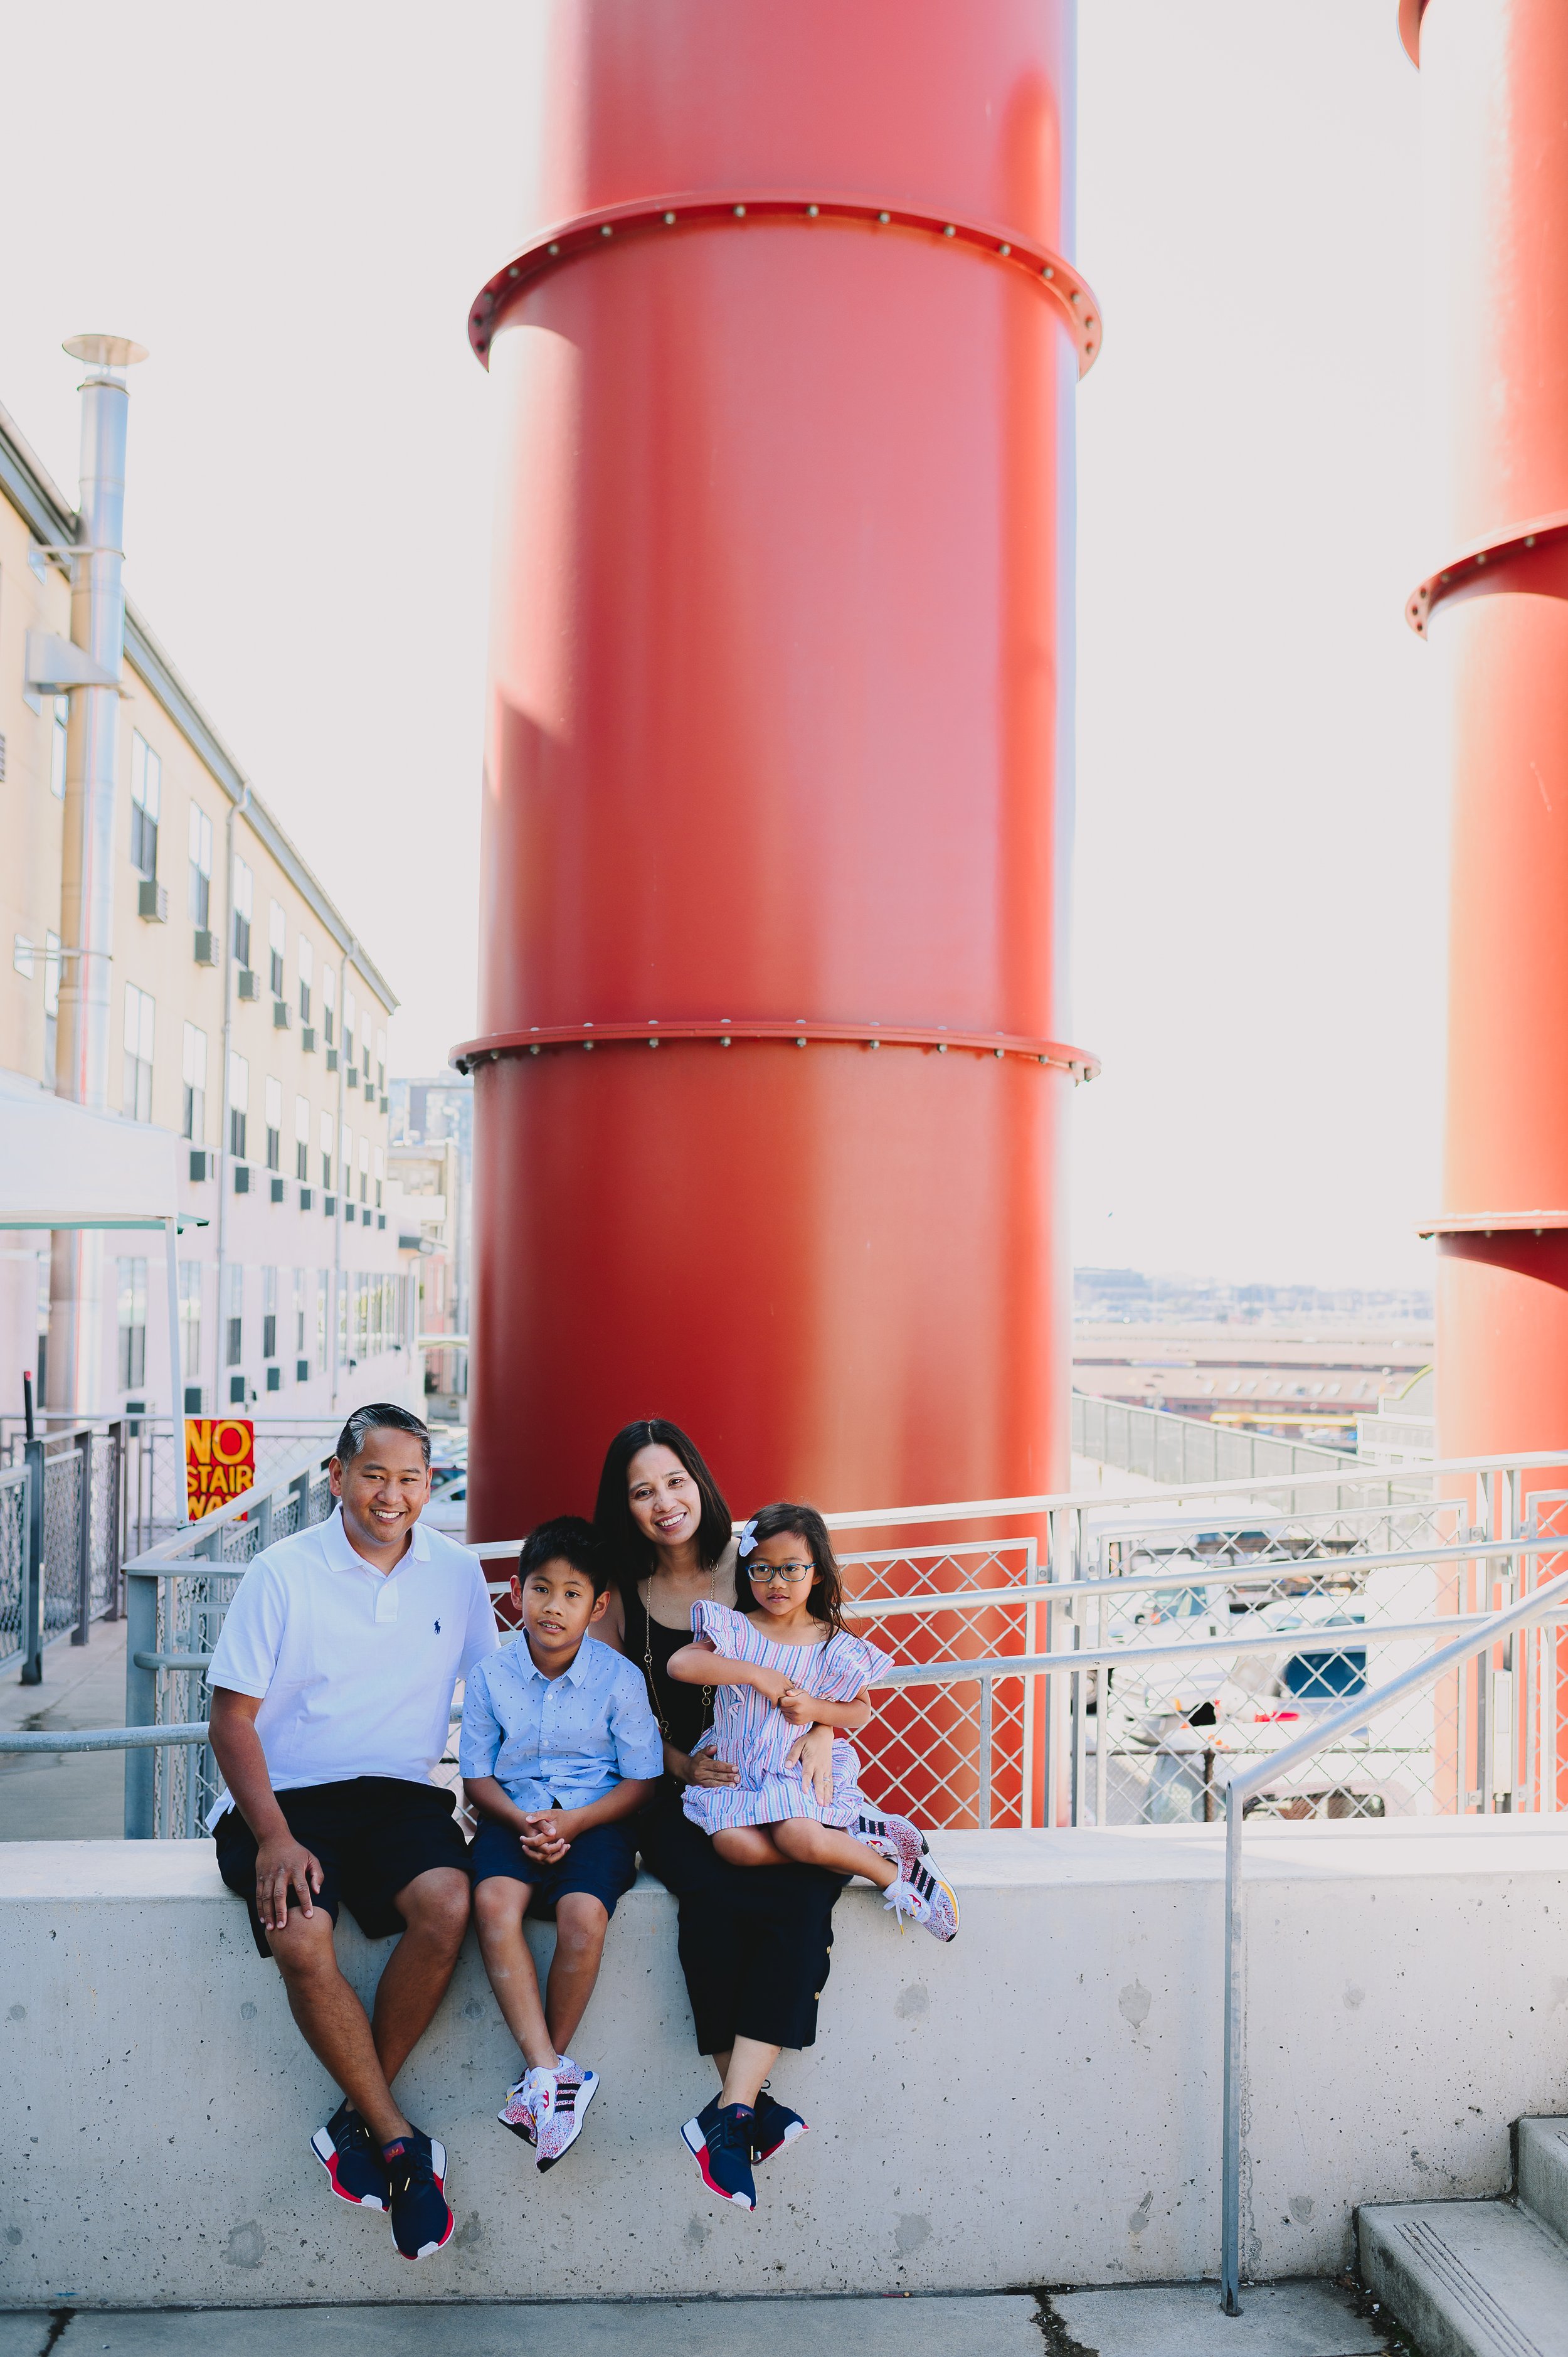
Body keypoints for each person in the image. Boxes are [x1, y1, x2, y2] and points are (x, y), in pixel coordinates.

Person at [593, 1418, 921, 2211]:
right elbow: (609, 1709)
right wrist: (678, 1762)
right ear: (625, 1506)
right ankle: (743, 2111)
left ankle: (731, 2113)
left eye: (674, 1481)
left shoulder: (756, 1566)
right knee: (712, 1900)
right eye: (642, 1491)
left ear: (698, 1480)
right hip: (679, 1792)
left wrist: (813, 1728)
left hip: (779, 1783)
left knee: (803, 1896)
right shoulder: (620, 1594)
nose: (664, 1503)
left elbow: (818, 1664)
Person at [206, 1403, 497, 2262]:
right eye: (374, 1474)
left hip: (402, 1797)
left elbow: (489, 1698)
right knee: (302, 1933)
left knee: (450, 1902)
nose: (392, 1494)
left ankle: (355, 2125)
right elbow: (231, 1720)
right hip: (288, 1801)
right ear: (337, 1477)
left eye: (411, 1478)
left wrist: (500, 1802)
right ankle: (400, 2146)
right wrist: (274, 1835)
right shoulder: (282, 1571)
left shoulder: (455, 1571)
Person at [667, 1500, 960, 2205]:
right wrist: (761, 1677)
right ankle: (741, 2111)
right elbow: (682, 1664)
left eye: (791, 1568)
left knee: (799, 1839)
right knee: (736, 1849)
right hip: (740, 1776)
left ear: (817, 1571)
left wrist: (820, 1717)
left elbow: (858, 1709)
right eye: (761, 1567)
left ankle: (894, 1870)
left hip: (798, 1778)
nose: (775, 1580)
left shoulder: (833, 1642)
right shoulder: (732, 1629)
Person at [460, 1516, 661, 2169]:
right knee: (492, 1902)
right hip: (510, 1815)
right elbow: (476, 1778)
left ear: (597, 1605)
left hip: (595, 1819)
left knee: (583, 1916)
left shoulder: (619, 1679)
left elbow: (641, 1781)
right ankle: (549, 2071)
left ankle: (544, 2081)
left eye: (573, 1594)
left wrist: (573, 1823)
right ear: (516, 1591)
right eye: (541, 1589)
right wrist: (524, 1823)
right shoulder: (492, 1675)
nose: (554, 1606)